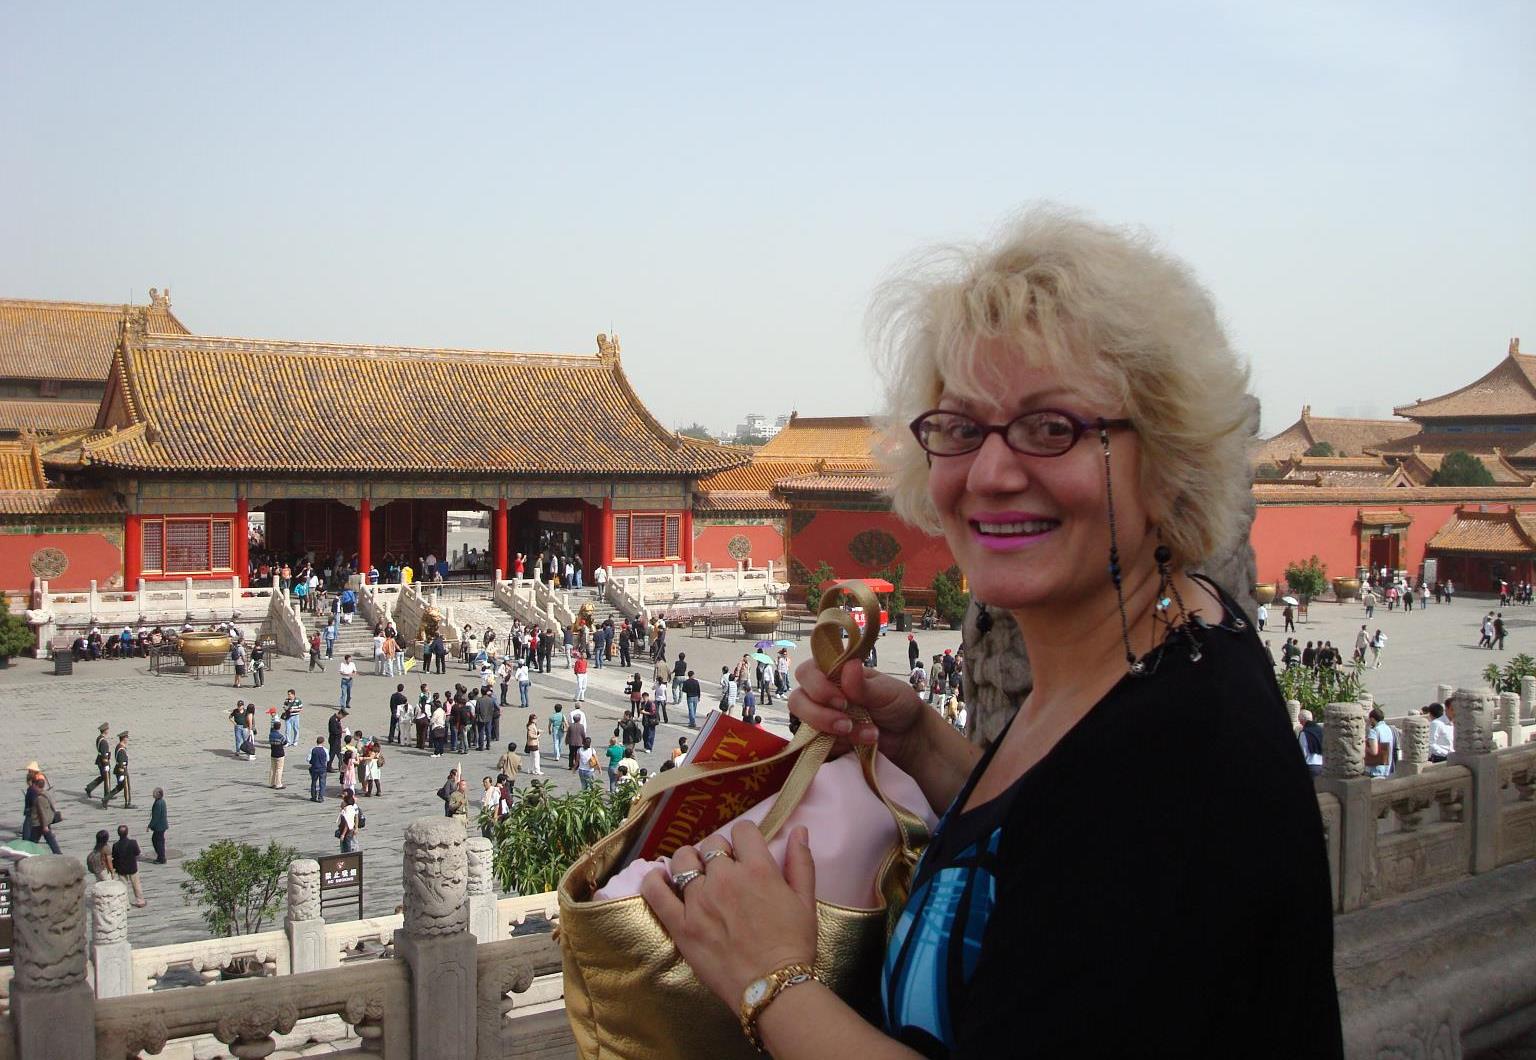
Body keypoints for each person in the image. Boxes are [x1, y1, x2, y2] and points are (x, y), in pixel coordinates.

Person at [635, 209, 1340, 1057]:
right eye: (962, 429)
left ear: (1166, 456)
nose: (993, 473)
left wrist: (770, 980)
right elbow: (1059, 849)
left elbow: (1112, 829)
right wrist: (919, 743)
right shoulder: (1164, 639)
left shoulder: (1182, 752)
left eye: (1053, 428)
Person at [113, 824, 147, 907]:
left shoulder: (115, 845)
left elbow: (114, 856)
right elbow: (137, 853)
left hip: (121, 869)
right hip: (132, 867)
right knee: (136, 885)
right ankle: (140, 901)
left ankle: (125, 903)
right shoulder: (133, 843)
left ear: (118, 833)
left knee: (123, 887)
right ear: (127, 833)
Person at [29, 774, 61, 855]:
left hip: (39, 823)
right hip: (46, 821)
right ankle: (58, 853)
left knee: (32, 842)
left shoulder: (39, 798)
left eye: (33, 785)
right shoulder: (46, 793)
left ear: (35, 785)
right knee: (49, 839)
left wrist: (44, 826)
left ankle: (29, 854)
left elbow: (42, 812)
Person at [103, 731, 132, 808]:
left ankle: (106, 798)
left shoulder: (119, 747)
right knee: (126, 786)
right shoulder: (121, 750)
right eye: (126, 738)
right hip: (122, 770)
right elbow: (121, 762)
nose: (127, 739)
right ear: (123, 738)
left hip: (119, 769)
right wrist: (122, 774)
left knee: (120, 787)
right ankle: (127, 803)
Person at [1366, 707, 1395, 778]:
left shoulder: (1374, 731)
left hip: (1376, 769)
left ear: (1372, 719)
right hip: (1387, 767)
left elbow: (1374, 751)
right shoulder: (1388, 728)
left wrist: (1364, 746)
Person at [85, 721, 112, 799]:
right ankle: (107, 795)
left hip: (100, 760)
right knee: (106, 778)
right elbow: (104, 754)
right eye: (107, 729)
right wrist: (106, 764)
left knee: (104, 777)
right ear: (105, 730)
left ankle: (89, 787)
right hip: (103, 761)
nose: (108, 730)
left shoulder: (99, 738)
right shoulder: (103, 741)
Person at [1298, 709, 1325, 776]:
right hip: (1323, 765)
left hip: (1311, 765)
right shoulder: (1321, 730)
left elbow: (1303, 751)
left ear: (1302, 720)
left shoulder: (1304, 733)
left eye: (1300, 721)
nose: (1300, 723)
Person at [148, 788, 169, 863]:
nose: (153, 794)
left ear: (159, 794)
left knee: (157, 841)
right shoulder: (162, 801)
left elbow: (156, 817)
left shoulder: (158, 803)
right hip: (162, 825)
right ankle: (161, 856)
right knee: (160, 841)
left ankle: (161, 858)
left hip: (159, 826)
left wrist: (149, 825)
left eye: (154, 793)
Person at [308, 737, 329, 802]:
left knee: (313, 782)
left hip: (314, 768)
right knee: (322, 783)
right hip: (322, 768)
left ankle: (313, 796)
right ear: (323, 742)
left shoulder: (312, 749)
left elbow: (308, 759)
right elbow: (328, 759)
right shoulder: (325, 750)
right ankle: (320, 797)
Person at [268, 720, 287, 788]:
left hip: (273, 753)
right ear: (279, 727)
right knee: (279, 769)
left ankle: (272, 783)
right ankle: (278, 784)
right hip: (280, 753)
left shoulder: (271, 735)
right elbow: (285, 742)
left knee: (273, 768)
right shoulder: (280, 736)